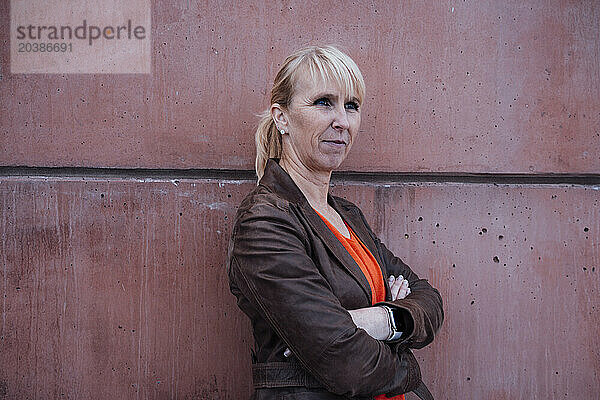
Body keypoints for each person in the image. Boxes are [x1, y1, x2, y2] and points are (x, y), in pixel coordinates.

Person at [227, 45, 443, 400]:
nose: (341, 120)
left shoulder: (346, 215)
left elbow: (428, 298)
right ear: (281, 117)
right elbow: (344, 360)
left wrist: (380, 320)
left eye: (351, 106)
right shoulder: (265, 222)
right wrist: (405, 359)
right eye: (324, 103)